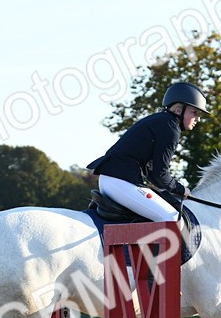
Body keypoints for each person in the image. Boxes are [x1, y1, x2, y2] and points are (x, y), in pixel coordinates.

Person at [87, 82, 209, 222]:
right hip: (120, 182)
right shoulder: (171, 128)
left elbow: (153, 174)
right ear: (178, 110)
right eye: (194, 112)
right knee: (172, 218)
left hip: (112, 179)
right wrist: (181, 189)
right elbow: (160, 173)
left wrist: (169, 191)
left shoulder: (161, 121)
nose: (198, 119)